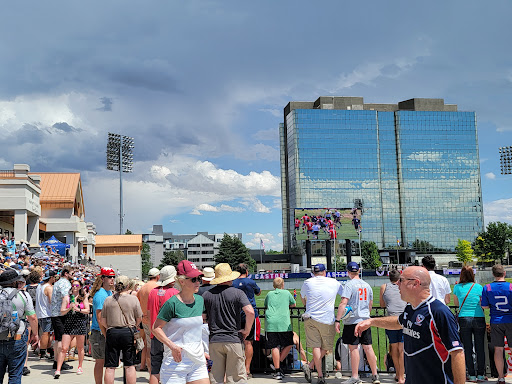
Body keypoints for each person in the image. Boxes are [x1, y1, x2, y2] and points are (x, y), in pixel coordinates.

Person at [354, 266, 466, 384]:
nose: (397, 284)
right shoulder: (410, 308)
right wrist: (372, 321)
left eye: (401, 280)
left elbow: (457, 353)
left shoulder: (438, 311)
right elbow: (398, 322)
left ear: (415, 283)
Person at [152, 260, 209, 384]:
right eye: (193, 279)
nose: (198, 282)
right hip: (175, 362)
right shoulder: (171, 303)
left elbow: (200, 328)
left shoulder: (200, 300)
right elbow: (156, 328)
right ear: (182, 281)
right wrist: (172, 346)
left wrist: (204, 350)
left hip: (197, 361)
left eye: (199, 278)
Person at [203, 263, 254, 384]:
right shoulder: (238, 293)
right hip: (233, 339)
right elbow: (250, 312)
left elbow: (202, 317)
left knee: (215, 378)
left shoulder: (207, 295)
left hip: (214, 340)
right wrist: (246, 330)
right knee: (236, 379)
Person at [335, 262, 380, 384]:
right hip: (365, 320)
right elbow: (370, 304)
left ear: (348, 272)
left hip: (352, 321)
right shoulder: (367, 285)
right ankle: (375, 375)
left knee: (353, 348)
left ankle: (355, 377)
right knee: (368, 347)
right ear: (358, 271)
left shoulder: (349, 285)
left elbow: (343, 302)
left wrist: (337, 320)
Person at [300, 263, 343, 384]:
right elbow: (344, 295)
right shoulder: (333, 282)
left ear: (314, 273)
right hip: (327, 319)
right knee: (326, 347)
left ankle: (317, 373)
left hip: (310, 318)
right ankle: (314, 369)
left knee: (316, 347)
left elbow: (302, 296)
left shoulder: (307, 282)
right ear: (325, 272)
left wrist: (306, 305)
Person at [101, 275, 143, 384]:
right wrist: (135, 325)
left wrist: (110, 327)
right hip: (128, 331)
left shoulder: (108, 300)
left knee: (110, 366)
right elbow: (139, 318)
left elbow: (103, 321)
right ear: (128, 285)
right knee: (129, 365)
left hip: (112, 331)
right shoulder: (133, 299)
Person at [0, 269, 39, 384]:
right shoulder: (23, 295)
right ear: (15, 282)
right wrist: (35, 334)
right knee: (15, 374)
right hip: (17, 336)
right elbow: (32, 317)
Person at [147, 266, 179, 384]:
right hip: (170, 336)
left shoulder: (153, 292)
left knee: (155, 369)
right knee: (173, 369)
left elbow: (149, 314)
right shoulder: (175, 293)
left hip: (155, 334)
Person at [481, 264, 512, 384]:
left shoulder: (487, 288)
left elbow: (484, 306)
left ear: (493, 274)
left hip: (495, 321)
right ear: (504, 273)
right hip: (510, 320)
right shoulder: (510, 287)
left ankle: (500, 377)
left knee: (498, 350)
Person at [233, 263, 261, 378]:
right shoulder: (250, 282)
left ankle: (237, 368)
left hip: (236, 315)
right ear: (247, 272)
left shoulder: (233, 282)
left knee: (236, 342)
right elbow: (258, 292)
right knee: (249, 342)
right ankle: (247, 369)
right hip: (250, 314)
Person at [264, 277, 296, 380]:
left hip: (271, 322)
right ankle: (279, 363)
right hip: (283, 322)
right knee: (289, 343)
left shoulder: (269, 294)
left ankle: (277, 369)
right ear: (283, 284)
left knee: (274, 346)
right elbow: (293, 304)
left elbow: (266, 304)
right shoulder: (286, 293)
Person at [56, 279, 90, 377]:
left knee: (80, 347)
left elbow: (87, 310)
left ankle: (80, 366)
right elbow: (62, 311)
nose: (75, 287)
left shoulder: (82, 298)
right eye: (73, 285)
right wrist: (69, 308)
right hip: (69, 324)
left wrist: (78, 309)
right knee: (64, 348)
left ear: (80, 287)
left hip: (80, 323)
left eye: (77, 285)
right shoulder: (67, 298)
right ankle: (58, 369)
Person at [379, 270, 406, 384]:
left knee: (394, 348)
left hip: (390, 320)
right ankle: (402, 375)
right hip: (403, 319)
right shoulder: (404, 286)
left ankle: (398, 375)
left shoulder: (384, 287)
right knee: (402, 349)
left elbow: (382, 304)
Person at [91, 267, 115, 384]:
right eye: (109, 277)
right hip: (99, 332)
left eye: (113, 277)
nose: (112, 279)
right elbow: (100, 319)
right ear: (102, 278)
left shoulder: (108, 292)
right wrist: (106, 335)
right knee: (100, 362)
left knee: (106, 362)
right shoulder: (101, 295)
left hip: (105, 331)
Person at [50, 267, 74, 376]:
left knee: (57, 339)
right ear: (66, 273)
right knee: (61, 339)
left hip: (55, 313)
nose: (73, 275)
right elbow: (66, 298)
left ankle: (56, 361)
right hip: (61, 314)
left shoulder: (58, 282)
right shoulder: (65, 283)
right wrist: (70, 308)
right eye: (72, 273)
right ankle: (61, 361)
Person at [137, 267, 160, 375]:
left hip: (145, 319)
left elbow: (138, 302)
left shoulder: (142, 287)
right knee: (157, 347)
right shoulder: (157, 287)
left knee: (148, 345)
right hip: (156, 320)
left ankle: (151, 372)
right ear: (158, 276)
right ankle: (155, 373)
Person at [35, 269, 55, 360]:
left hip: (40, 313)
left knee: (47, 333)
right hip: (47, 313)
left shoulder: (39, 286)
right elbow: (52, 301)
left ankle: (48, 350)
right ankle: (43, 352)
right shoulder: (48, 287)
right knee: (46, 333)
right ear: (51, 278)